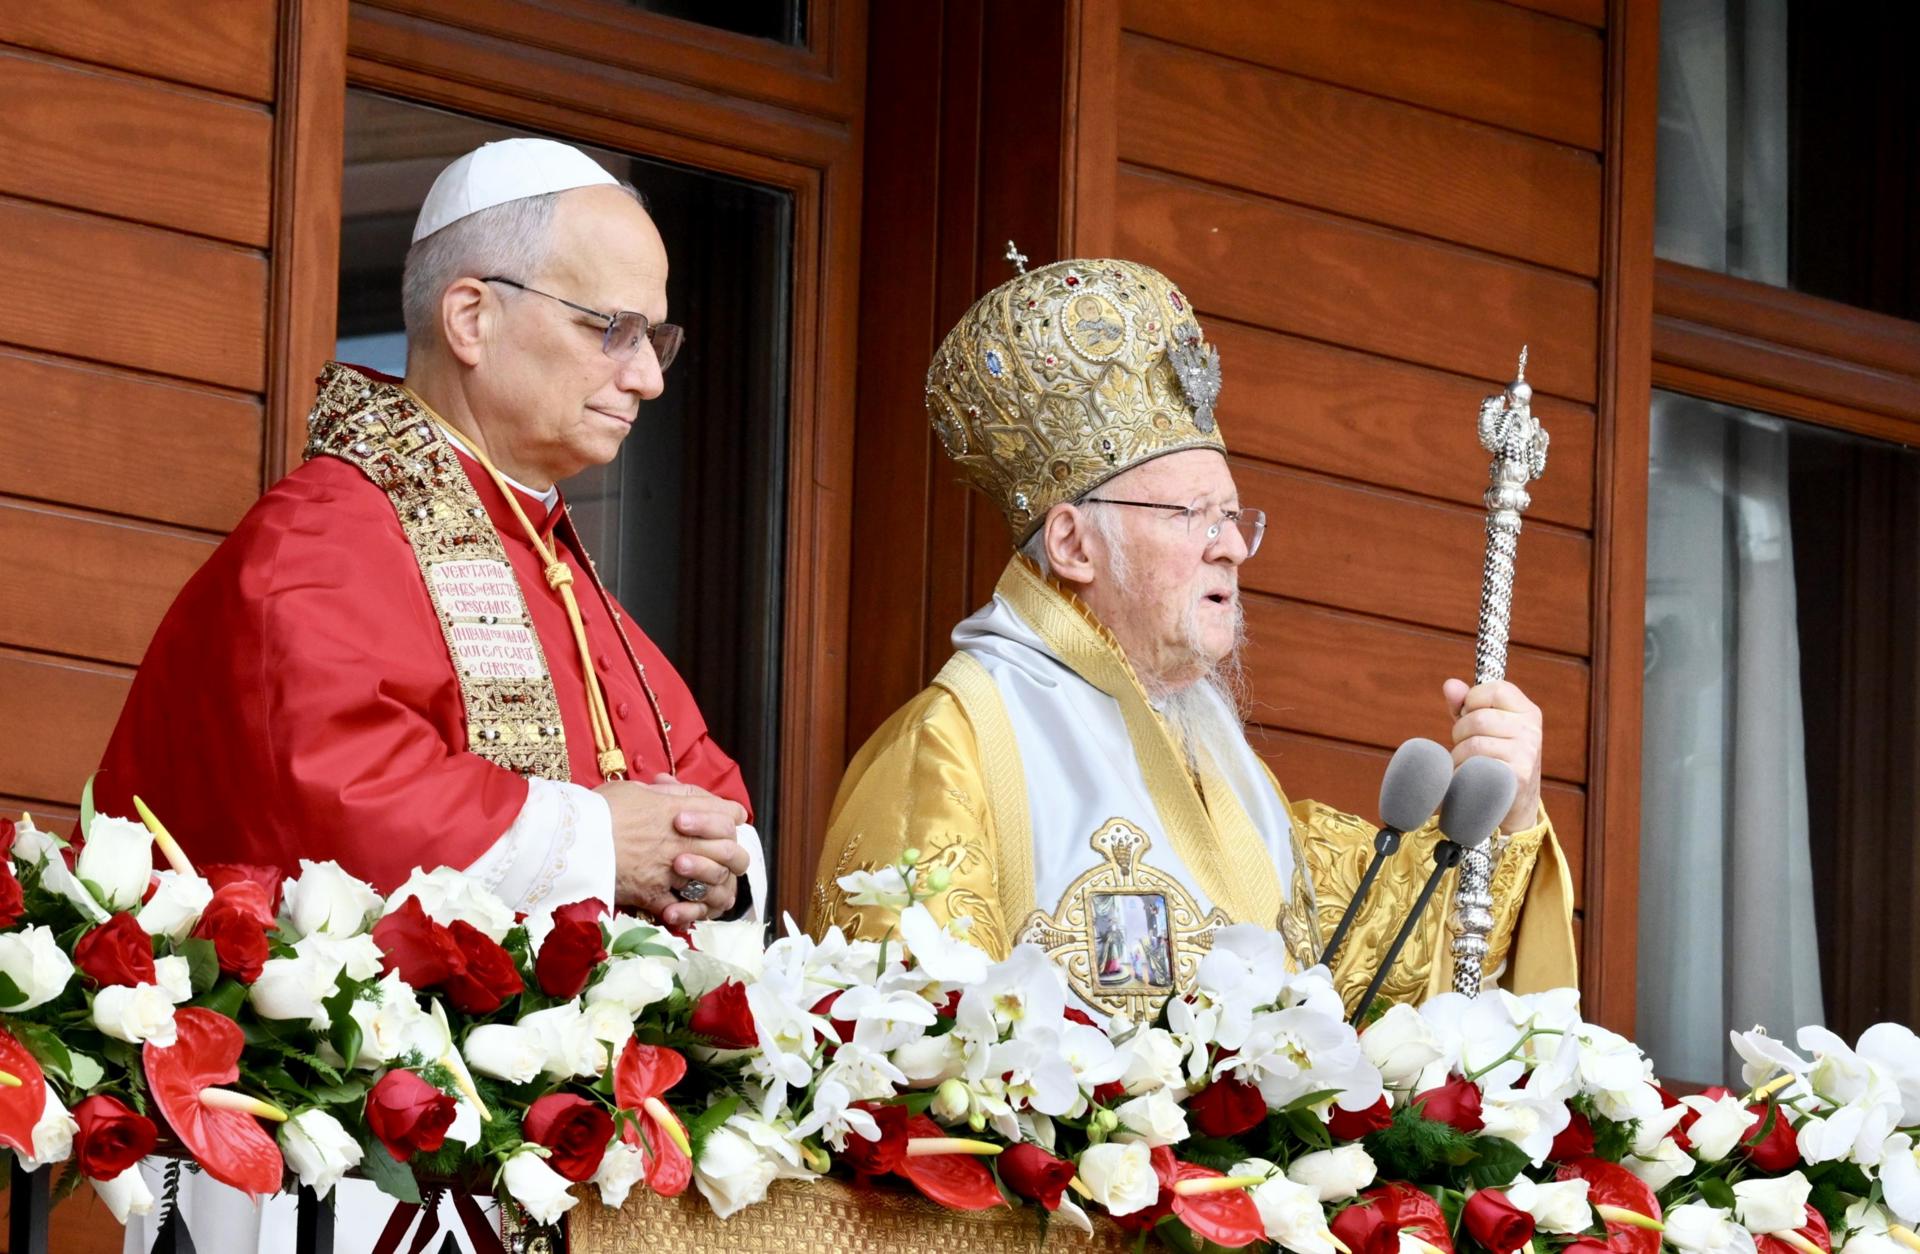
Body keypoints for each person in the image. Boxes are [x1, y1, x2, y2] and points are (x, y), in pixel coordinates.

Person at [808, 257, 1575, 1019]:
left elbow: (1357, 983)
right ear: (1075, 546)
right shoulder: (952, 752)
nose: (1232, 548)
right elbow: (910, 1050)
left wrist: (1505, 805)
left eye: (1235, 519)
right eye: (1193, 516)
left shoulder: (1228, 775)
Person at [97, 137, 756, 930]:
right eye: (613, 330)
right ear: (471, 318)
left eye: (657, 340)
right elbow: (334, 804)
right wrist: (599, 844)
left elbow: (711, 801)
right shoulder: (322, 537)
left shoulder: (557, 568)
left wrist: (713, 872)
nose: (647, 377)